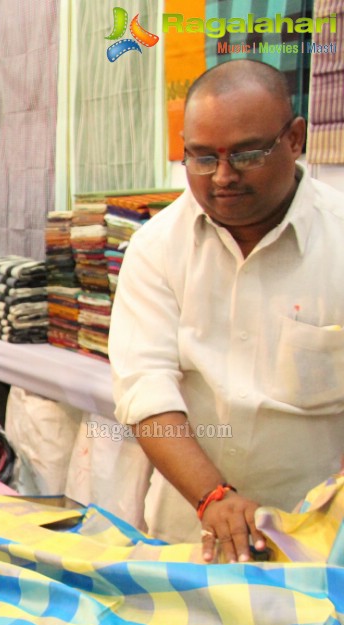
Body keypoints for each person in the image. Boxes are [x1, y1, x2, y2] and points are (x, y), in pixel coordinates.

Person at [109, 59, 344, 563]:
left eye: (246, 154)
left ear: (296, 139)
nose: (222, 177)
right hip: (190, 532)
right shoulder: (155, 247)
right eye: (200, 157)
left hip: (318, 541)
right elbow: (145, 385)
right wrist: (213, 496)